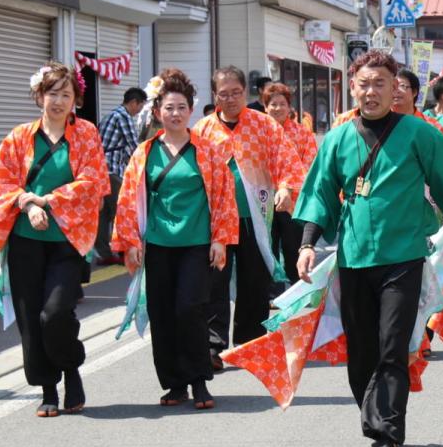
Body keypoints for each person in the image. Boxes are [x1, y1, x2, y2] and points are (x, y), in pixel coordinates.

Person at [294, 50, 443, 447]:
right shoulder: (336, 139)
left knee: (392, 347)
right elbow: (318, 194)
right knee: (362, 353)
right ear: (353, 88)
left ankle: (386, 437)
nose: (371, 92)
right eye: (364, 84)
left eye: (381, 84)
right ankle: (377, 421)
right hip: (353, 259)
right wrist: (307, 243)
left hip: (403, 257)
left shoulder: (419, 135)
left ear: (396, 90)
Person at [0, 64, 109, 416]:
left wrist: (45, 201)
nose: (59, 101)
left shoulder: (85, 134)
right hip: (25, 240)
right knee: (31, 318)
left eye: (67, 95)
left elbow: (93, 182)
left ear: (75, 101)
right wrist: (23, 201)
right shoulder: (20, 136)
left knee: (55, 313)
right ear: (39, 96)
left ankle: (71, 368)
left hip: (68, 241)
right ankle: (49, 388)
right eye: (53, 93)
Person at [113, 69, 239, 408]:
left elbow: (224, 196)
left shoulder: (207, 151)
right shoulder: (144, 153)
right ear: (157, 112)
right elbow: (127, 199)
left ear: (191, 110)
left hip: (196, 244)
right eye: (169, 107)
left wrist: (220, 239)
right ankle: (174, 384)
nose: (175, 113)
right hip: (158, 245)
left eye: (182, 107)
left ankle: (199, 381)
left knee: (191, 309)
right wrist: (131, 243)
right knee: (163, 313)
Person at [193, 67, 304, 368]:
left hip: (255, 216)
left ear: (246, 93)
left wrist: (285, 188)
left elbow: (287, 162)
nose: (230, 99)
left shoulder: (264, 125)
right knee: (213, 282)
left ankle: (249, 342)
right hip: (215, 220)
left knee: (255, 281)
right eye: (223, 93)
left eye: (236, 93)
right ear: (215, 96)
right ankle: (214, 346)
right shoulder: (202, 130)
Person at [263, 82, 317, 284]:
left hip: (294, 202)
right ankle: (271, 291)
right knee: (267, 247)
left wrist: (289, 186)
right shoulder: (258, 132)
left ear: (289, 106)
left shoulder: (302, 134)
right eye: (273, 104)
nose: (277, 108)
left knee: (292, 246)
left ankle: (297, 290)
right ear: (265, 106)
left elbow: (309, 164)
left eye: (282, 104)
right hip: (263, 198)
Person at [96, 87, 147, 264]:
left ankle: (104, 252)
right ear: (133, 103)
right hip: (111, 171)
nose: (138, 111)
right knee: (122, 210)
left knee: (103, 214)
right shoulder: (123, 116)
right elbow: (133, 146)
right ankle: (124, 249)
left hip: (101, 171)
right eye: (139, 107)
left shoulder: (110, 115)